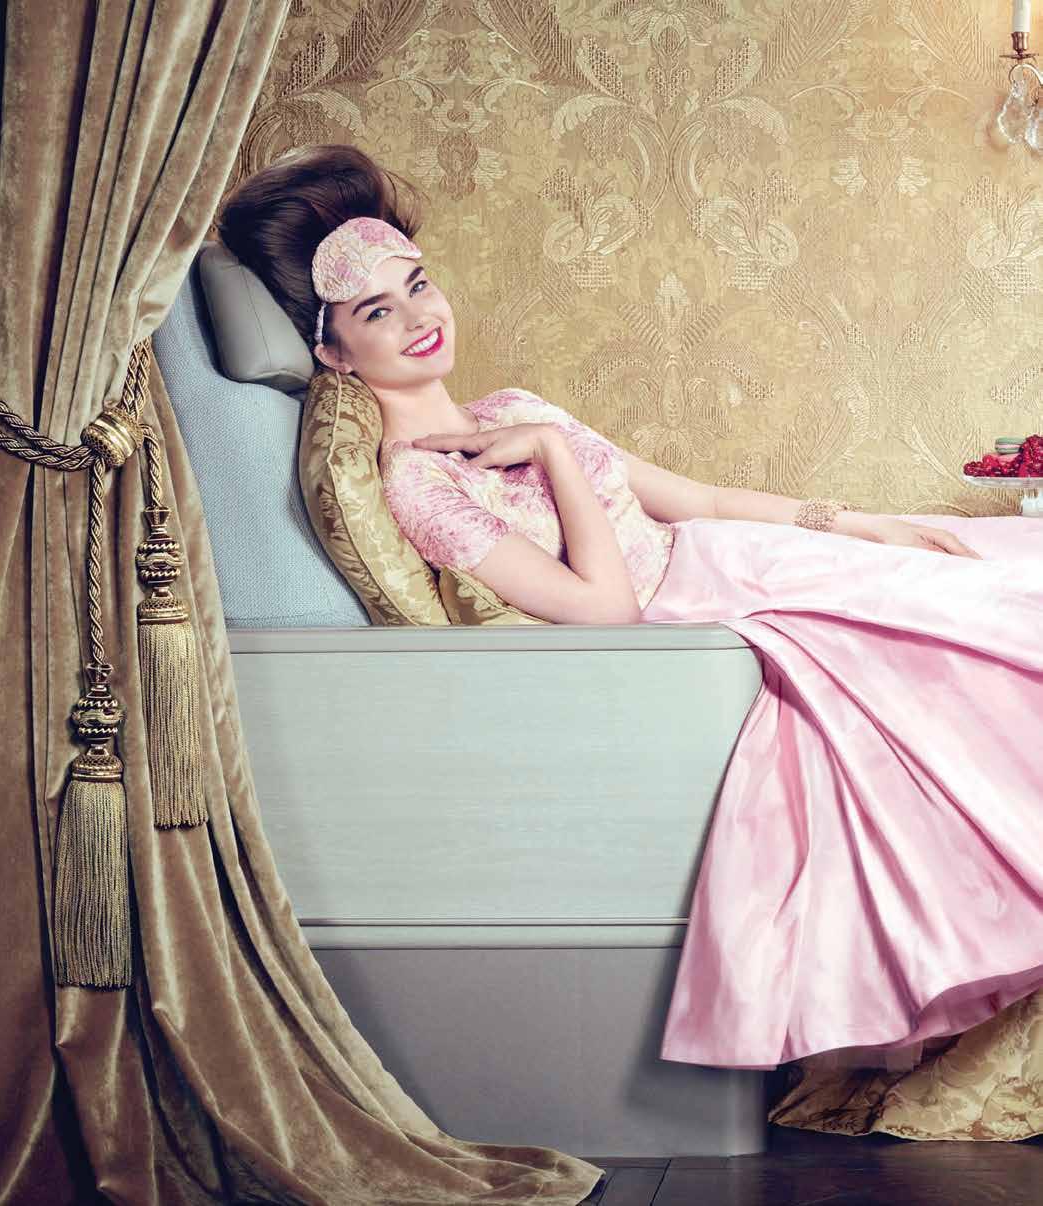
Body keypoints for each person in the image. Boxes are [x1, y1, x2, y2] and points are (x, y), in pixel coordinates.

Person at [219, 144, 1043, 1077]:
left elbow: (696, 499)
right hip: (696, 609)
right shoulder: (417, 485)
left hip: (742, 558)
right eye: (377, 310)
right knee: (996, 619)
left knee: (999, 565)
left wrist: (855, 523)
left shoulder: (512, 404)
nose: (419, 317)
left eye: (418, 284)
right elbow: (606, 613)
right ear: (331, 350)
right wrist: (551, 455)